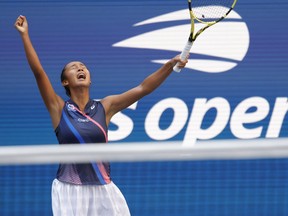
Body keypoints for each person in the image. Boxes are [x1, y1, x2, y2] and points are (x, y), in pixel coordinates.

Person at [14, 15, 188, 216]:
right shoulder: (58, 108)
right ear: (65, 82)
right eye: (73, 67)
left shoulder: (105, 107)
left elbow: (142, 88)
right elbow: (38, 72)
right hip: (70, 189)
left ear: (89, 78)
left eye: (83, 66)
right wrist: (25, 35)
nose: (80, 68)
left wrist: (169, 65)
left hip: (103, 188)